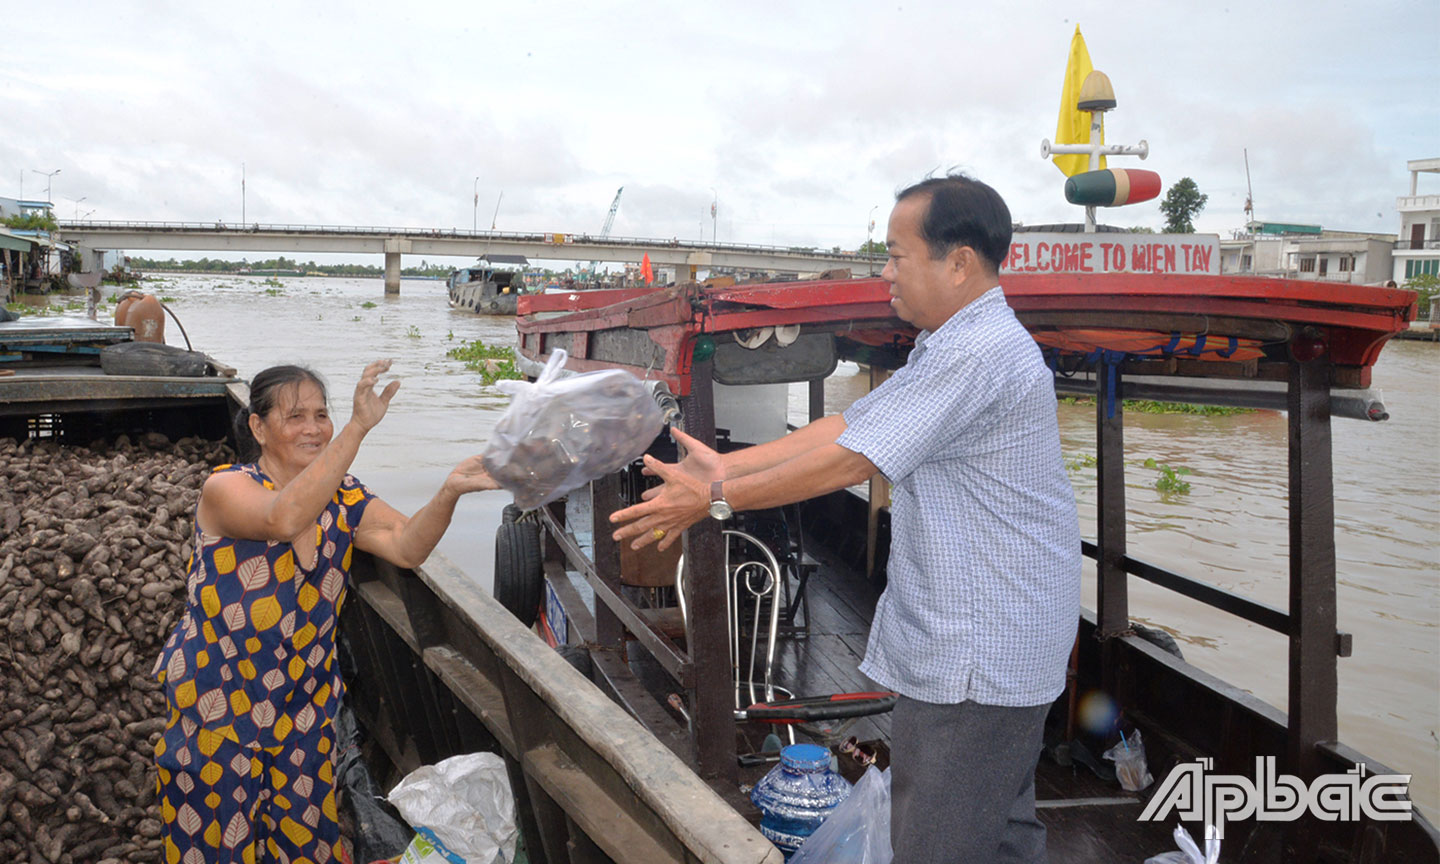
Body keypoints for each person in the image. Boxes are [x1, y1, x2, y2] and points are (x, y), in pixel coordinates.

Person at [610, 174, 1081, 863]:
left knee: (938, 843)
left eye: (896, 254)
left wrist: (714, 502)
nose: (885, 272)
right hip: (1002, 645)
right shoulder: (956, 345)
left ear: (957, 262)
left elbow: (852, 461)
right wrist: (727, 469)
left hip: (977, 659)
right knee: (1004, 834)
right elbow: (850, 424)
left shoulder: (975, 356)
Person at [151, 359, 499, 864]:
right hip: (218, 708)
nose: (313, 428)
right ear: (258, 427)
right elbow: (283, 517)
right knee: (216, 849)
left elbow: (407, 546)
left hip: (303, 712)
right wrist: (358, 427)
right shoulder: (226, 488)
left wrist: (448, 492)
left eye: (321, 414)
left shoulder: (345, 495)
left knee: (305, 848)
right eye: (295, 417)